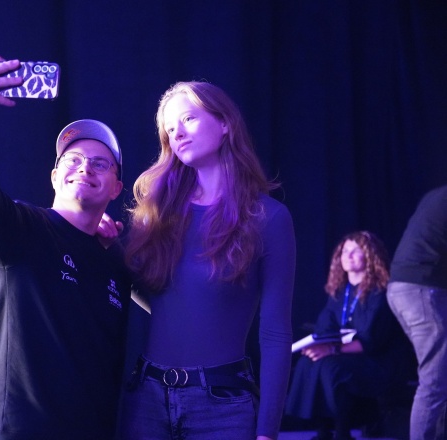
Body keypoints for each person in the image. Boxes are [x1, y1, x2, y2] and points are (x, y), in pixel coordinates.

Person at [0, 54, 132, 440]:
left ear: (116, 188)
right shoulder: (22, 230)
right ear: (54, 176)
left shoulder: (116, 262)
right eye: (73, 159)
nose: (85, 168)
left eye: (100, 164)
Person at [115, 81, 296, 440]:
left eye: (188, 119)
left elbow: (275, 333)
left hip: (222, 406)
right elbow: (138, 286)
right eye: (169, 129)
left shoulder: (269, 217)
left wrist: (267, 431)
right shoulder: (157, 213)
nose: (178, 134)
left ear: (225, 123)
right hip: (147, 400)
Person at [285, 231, 410, 440]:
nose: (348, 256)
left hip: (376, 360)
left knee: (331, 367)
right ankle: (323, 432)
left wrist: (332, 349)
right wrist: (319, 346)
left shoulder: (380, 292)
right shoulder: (340, 291)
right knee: (309, 362)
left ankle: (342, 433)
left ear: (370, 256)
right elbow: (325, 328)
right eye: (344, 251)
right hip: (345, 354)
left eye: (355, 251)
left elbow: (372, 341)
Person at [386, 185, 447, 440]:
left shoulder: (436, 195)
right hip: (421, 289)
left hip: (405, 289)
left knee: (442, 373)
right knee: (435, 379)